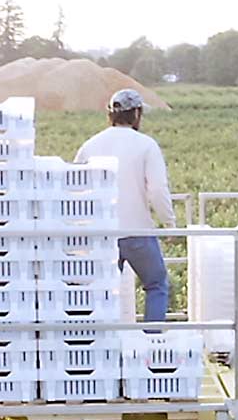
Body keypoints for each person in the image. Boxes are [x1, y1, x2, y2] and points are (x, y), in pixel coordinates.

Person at [75, 88, 176, 321]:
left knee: (102, 292)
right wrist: (169, 223)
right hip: (138, 231)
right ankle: (152, 342)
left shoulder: (90, 146)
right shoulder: (146, 145)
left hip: (103, 233)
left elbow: (76, 189)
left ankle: (102, 342)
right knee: (156, 284)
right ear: (137, 114)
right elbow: (158, 189)